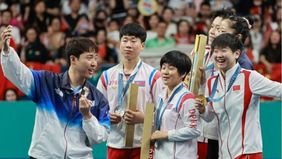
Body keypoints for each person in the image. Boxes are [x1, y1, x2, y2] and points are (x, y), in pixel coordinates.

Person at [1, 25, 110, 158]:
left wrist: (87, 116)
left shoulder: (98, 97)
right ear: (73, 59)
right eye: (89, 57)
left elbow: (100, 137)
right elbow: (19, 74)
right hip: (44, 156)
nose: (94, 63)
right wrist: (7, 52)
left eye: (95, 58)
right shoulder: (47, 82)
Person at [195, 33, 282, 159]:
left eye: (224, 51)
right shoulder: (211, 81)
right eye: (216, 51)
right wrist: (203, 110)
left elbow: (279, 90)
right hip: (224, 153)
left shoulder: (249, 77)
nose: (219, 55)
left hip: (247, 152)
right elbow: (210, 117)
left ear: (236, 54)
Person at [97, 23, 163, 159]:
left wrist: (144, 118)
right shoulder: (107, 76)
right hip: (115, 143)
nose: (128, 45)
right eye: (125, 40)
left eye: (133, 41)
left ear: (142, 45)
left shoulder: (153, 76)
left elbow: (164, 111)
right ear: (119, 44)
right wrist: (106, 117)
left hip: (144, 144)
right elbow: (97, 108)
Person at [151, 50, 200, 159]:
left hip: (181, 155)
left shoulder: (187, 98)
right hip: (161, 153)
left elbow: (194, 130)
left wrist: (166, 134)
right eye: (163, 67)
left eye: (171, 68)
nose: (165, 72)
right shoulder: (161, 96)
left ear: (183, 74)